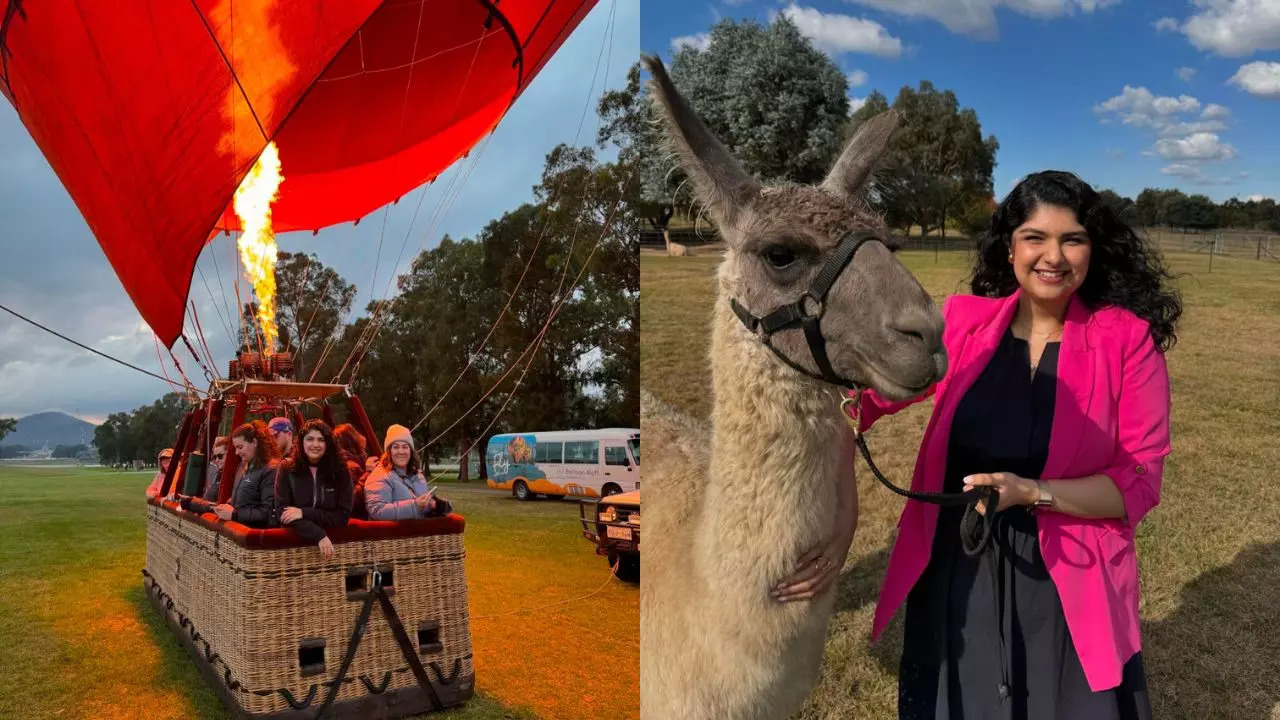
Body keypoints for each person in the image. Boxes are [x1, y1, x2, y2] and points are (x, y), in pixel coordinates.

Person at [773, 171, 1180, 719]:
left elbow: (1138, 483)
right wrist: (838, 520)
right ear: (1010, 245)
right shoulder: (965, 322)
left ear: (1092, 248)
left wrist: (1032, 492)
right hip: (956, 565)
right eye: (1035, 237)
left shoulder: (1127, 340)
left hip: (1068, 577)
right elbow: (858, 407)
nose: (1053, 256)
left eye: (1072, 239)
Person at [274, 420, 354, 559]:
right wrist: (318, 535)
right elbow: (283, 513)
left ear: (328, 444)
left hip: (332, 548)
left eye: (321, 440)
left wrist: (303, 512)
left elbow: (342, 516)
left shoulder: (340, 471)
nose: (315, 445)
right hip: (295, 547)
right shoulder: (287, 468)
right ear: (301, 442)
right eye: (310, 439)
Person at [363, 424, 451, 520]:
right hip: (391, 534)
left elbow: (421, 511)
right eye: (396, 447)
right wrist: (415, 506)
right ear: (389, 451)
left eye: (405, 447)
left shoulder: (417, 475)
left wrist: (434, 506)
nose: (401, 451)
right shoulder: (379, 476)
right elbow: (377, 511)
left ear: (410, 451)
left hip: (418, 533)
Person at [332, 423, 371, 519]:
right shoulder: (350, 467)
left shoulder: (344, 463)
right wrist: (368, 473)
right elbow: (350, 500)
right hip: (358, 519)